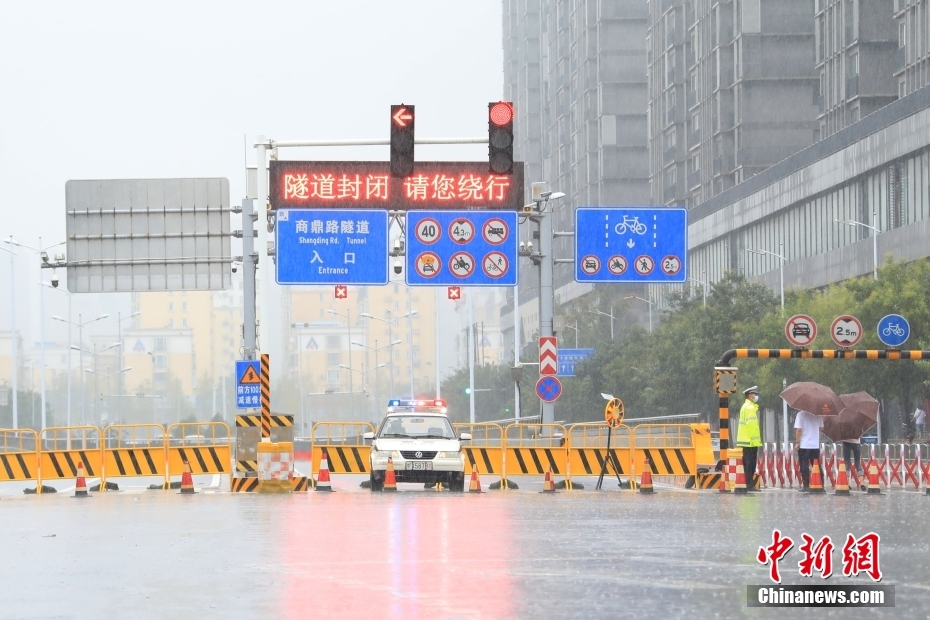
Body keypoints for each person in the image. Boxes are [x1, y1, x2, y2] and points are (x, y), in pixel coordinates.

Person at [737, 385, 763, 492]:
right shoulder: (750, 408)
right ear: (749, 395)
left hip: (745, 441)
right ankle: (749, 485)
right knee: (750, 464)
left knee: (747, 463)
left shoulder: (745, 406)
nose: (756, 396)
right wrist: (756, 441)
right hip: (750, 441)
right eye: (754, 394)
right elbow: (752, 426)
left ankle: (747, 483)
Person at [794, 409, 824, 491]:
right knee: (816, 465)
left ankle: (806, 485)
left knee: (804, 466)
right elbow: (821, 428)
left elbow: (799, 430)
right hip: (815, 445)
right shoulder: (818, 415)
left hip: (804, 445)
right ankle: (821, 484)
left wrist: (797, 442)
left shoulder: (800, 415)